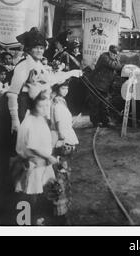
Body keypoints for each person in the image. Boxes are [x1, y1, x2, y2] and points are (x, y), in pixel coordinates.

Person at [0, 27, 82, 224]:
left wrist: (72, 72)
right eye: (35, 47)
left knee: (38, 160)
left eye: (41, 47)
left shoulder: (39, 64)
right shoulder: (23, 66)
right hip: (23, 109)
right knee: (24, 158)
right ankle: (21, 210)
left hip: (36, 111)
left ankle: (36, 207)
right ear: (28, 48)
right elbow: (12, 94)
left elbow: (51, 79)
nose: (39, 50)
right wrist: (15, 121)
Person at [14, 92, 58, 225]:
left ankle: (36, 217)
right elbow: (33, 146)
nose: (45, 109)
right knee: (32, 191)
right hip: (35, 161)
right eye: (41, 106)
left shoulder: (38, 118)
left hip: (40, 161)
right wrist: (49, 156)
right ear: (33, 106)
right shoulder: (31, 121)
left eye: (46, 105)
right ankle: (29, 220)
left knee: (39, 190)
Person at [50, 80, 79, 223]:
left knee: (63, 173)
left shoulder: (59, 102)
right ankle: (60, 210)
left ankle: (62, 207)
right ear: (57, 88)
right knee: (61, 174)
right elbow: (60, 126)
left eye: (67, 87)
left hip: (62, 138)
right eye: (63, 87)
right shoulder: (58, 105)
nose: (66, 90)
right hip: (61, 140)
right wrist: (63, 139)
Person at [88, 45, 122, 127]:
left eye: (116, 54)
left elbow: (119, 66)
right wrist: (117, 59)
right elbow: (116, 66)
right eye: (113, 54)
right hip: (97, 84)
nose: (114, 56)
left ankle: (105, 121)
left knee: (104, 104)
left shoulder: (112, 58)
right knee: (95, 104)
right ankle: (95, 122)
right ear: (109, 52)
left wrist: (116, 59)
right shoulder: (104, 57)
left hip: (105, 85)